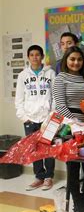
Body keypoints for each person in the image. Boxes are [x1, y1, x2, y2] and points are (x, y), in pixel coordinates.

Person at [52, 46, 84, 212]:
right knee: (73, 168)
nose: (76, 62)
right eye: (72, 59)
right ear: (66, 60)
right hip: (69, 129)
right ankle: (77, 202)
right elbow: (61, 106)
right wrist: (77, 124)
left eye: (79, 59)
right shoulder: (60, 78)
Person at [15, 45, 56, 191]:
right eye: (31, 55)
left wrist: (51, 117)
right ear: (28, 57)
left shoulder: (50, 73)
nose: (34, 57)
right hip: (30, 119)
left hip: (48, 119)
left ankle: (49, 177)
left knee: (48, 149)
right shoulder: (23, 75)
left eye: (37, 55)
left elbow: (55, 97)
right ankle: (39, 176)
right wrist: (24, 118)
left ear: (42, 56)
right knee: (33, 149)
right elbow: (19, 99)